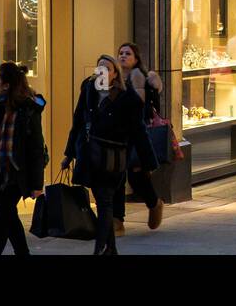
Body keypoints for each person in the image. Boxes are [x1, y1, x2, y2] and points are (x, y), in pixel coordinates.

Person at [62, 54, 157, 255]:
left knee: (105, 202)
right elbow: (78, 122)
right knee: (102, 201)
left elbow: (139, 132)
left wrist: (147, 162)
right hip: (90, 155)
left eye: (107, 68)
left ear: (115, 74)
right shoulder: (88, 90)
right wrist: (69, 153)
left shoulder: (127, 98)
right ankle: (110, 248)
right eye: (99, 67)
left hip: (113, 158)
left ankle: (100, 248)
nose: (102, 71)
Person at [0, 61, 47, 256]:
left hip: (15, 175)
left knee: (2, 217)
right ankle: (23, 252)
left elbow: (36, 147)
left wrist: (37, 183)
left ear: (6, 85)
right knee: (8, 217)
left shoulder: (27, 110)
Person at [114, 42, 165, 231]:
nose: (123, 56)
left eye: (128, 53)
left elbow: (137, 107)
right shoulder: (116, 77)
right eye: (120, 53)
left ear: (136, 59)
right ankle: (117, 219)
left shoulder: (136, 76)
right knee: (120, 175)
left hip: (136, 135)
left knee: (136, 177)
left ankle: (154, 204)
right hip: (120, 135)